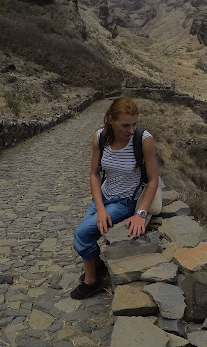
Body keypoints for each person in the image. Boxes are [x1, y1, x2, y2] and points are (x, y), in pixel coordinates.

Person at [71, 97, 159, 299]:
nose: (131, 130)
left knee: (82, 234)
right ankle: (99, 267)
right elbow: (94, 174)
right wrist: (100, 209)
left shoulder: (143, 140)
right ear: (111, 120)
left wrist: (140, 214)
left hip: (125, 202)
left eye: (134, 124)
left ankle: (92, 282)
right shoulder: (100, 138)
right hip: (103, 197)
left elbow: (154, 180)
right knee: (83, 238)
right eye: (125, 125)